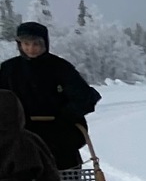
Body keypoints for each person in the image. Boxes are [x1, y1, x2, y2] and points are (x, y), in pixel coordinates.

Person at [0, 21, 100, 170]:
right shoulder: (9, 69)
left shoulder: (61, 67)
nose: (31, 49)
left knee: (64, 170)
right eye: (26, 44)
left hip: (60, 131)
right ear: (19, 44)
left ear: (45, 44)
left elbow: (85, 97)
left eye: (36, 44)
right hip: (21, 131)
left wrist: (66, 115)